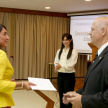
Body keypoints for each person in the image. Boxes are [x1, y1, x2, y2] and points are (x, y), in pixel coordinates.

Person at [63, 16, 108, 108]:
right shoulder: (99, 54)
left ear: (103, 31)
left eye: (92, 29)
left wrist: (83, 101)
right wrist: (75, 93)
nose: (89, 32)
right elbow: (94, 86)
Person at [0, 24, 36, 108]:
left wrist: (7, 82)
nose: (8, 37)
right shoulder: (1, 54)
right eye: (4, 34)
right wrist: (22, 84)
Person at [54, 33, 78, 108]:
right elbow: (56, 61)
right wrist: (56, 67)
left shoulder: (74, 51)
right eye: (63, 40)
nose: (65, 42)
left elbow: (71, 65)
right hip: (60, 75)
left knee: (68, 97)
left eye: (67, 40)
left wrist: (61, 66)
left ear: (70, 40)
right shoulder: (59, 51)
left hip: (69, 76)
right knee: (61, 95)